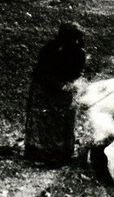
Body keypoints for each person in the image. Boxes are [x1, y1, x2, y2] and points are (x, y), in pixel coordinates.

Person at [25, 22, 87, 164]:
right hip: (45, 87)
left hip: (64, 89)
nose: (75, 41)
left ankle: (62, 152)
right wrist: (57, 84)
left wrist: (71, 84)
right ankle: (41, 151)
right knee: (44, 119)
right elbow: (41, 71)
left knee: (64, 118)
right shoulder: (50, 49)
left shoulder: (79, 52)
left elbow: (77, 72)